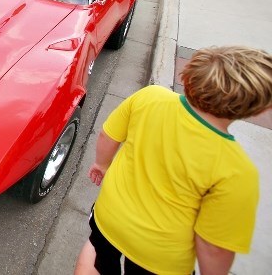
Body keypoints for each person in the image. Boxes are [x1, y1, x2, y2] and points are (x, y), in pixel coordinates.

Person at [74, 46, 272, 275]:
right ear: (256, 107)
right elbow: (213, 248)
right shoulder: (237, 170)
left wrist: (101, 164)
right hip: (160, 256)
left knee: (98, 256)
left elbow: (107, 135)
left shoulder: (150, 97)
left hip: (109, 219)